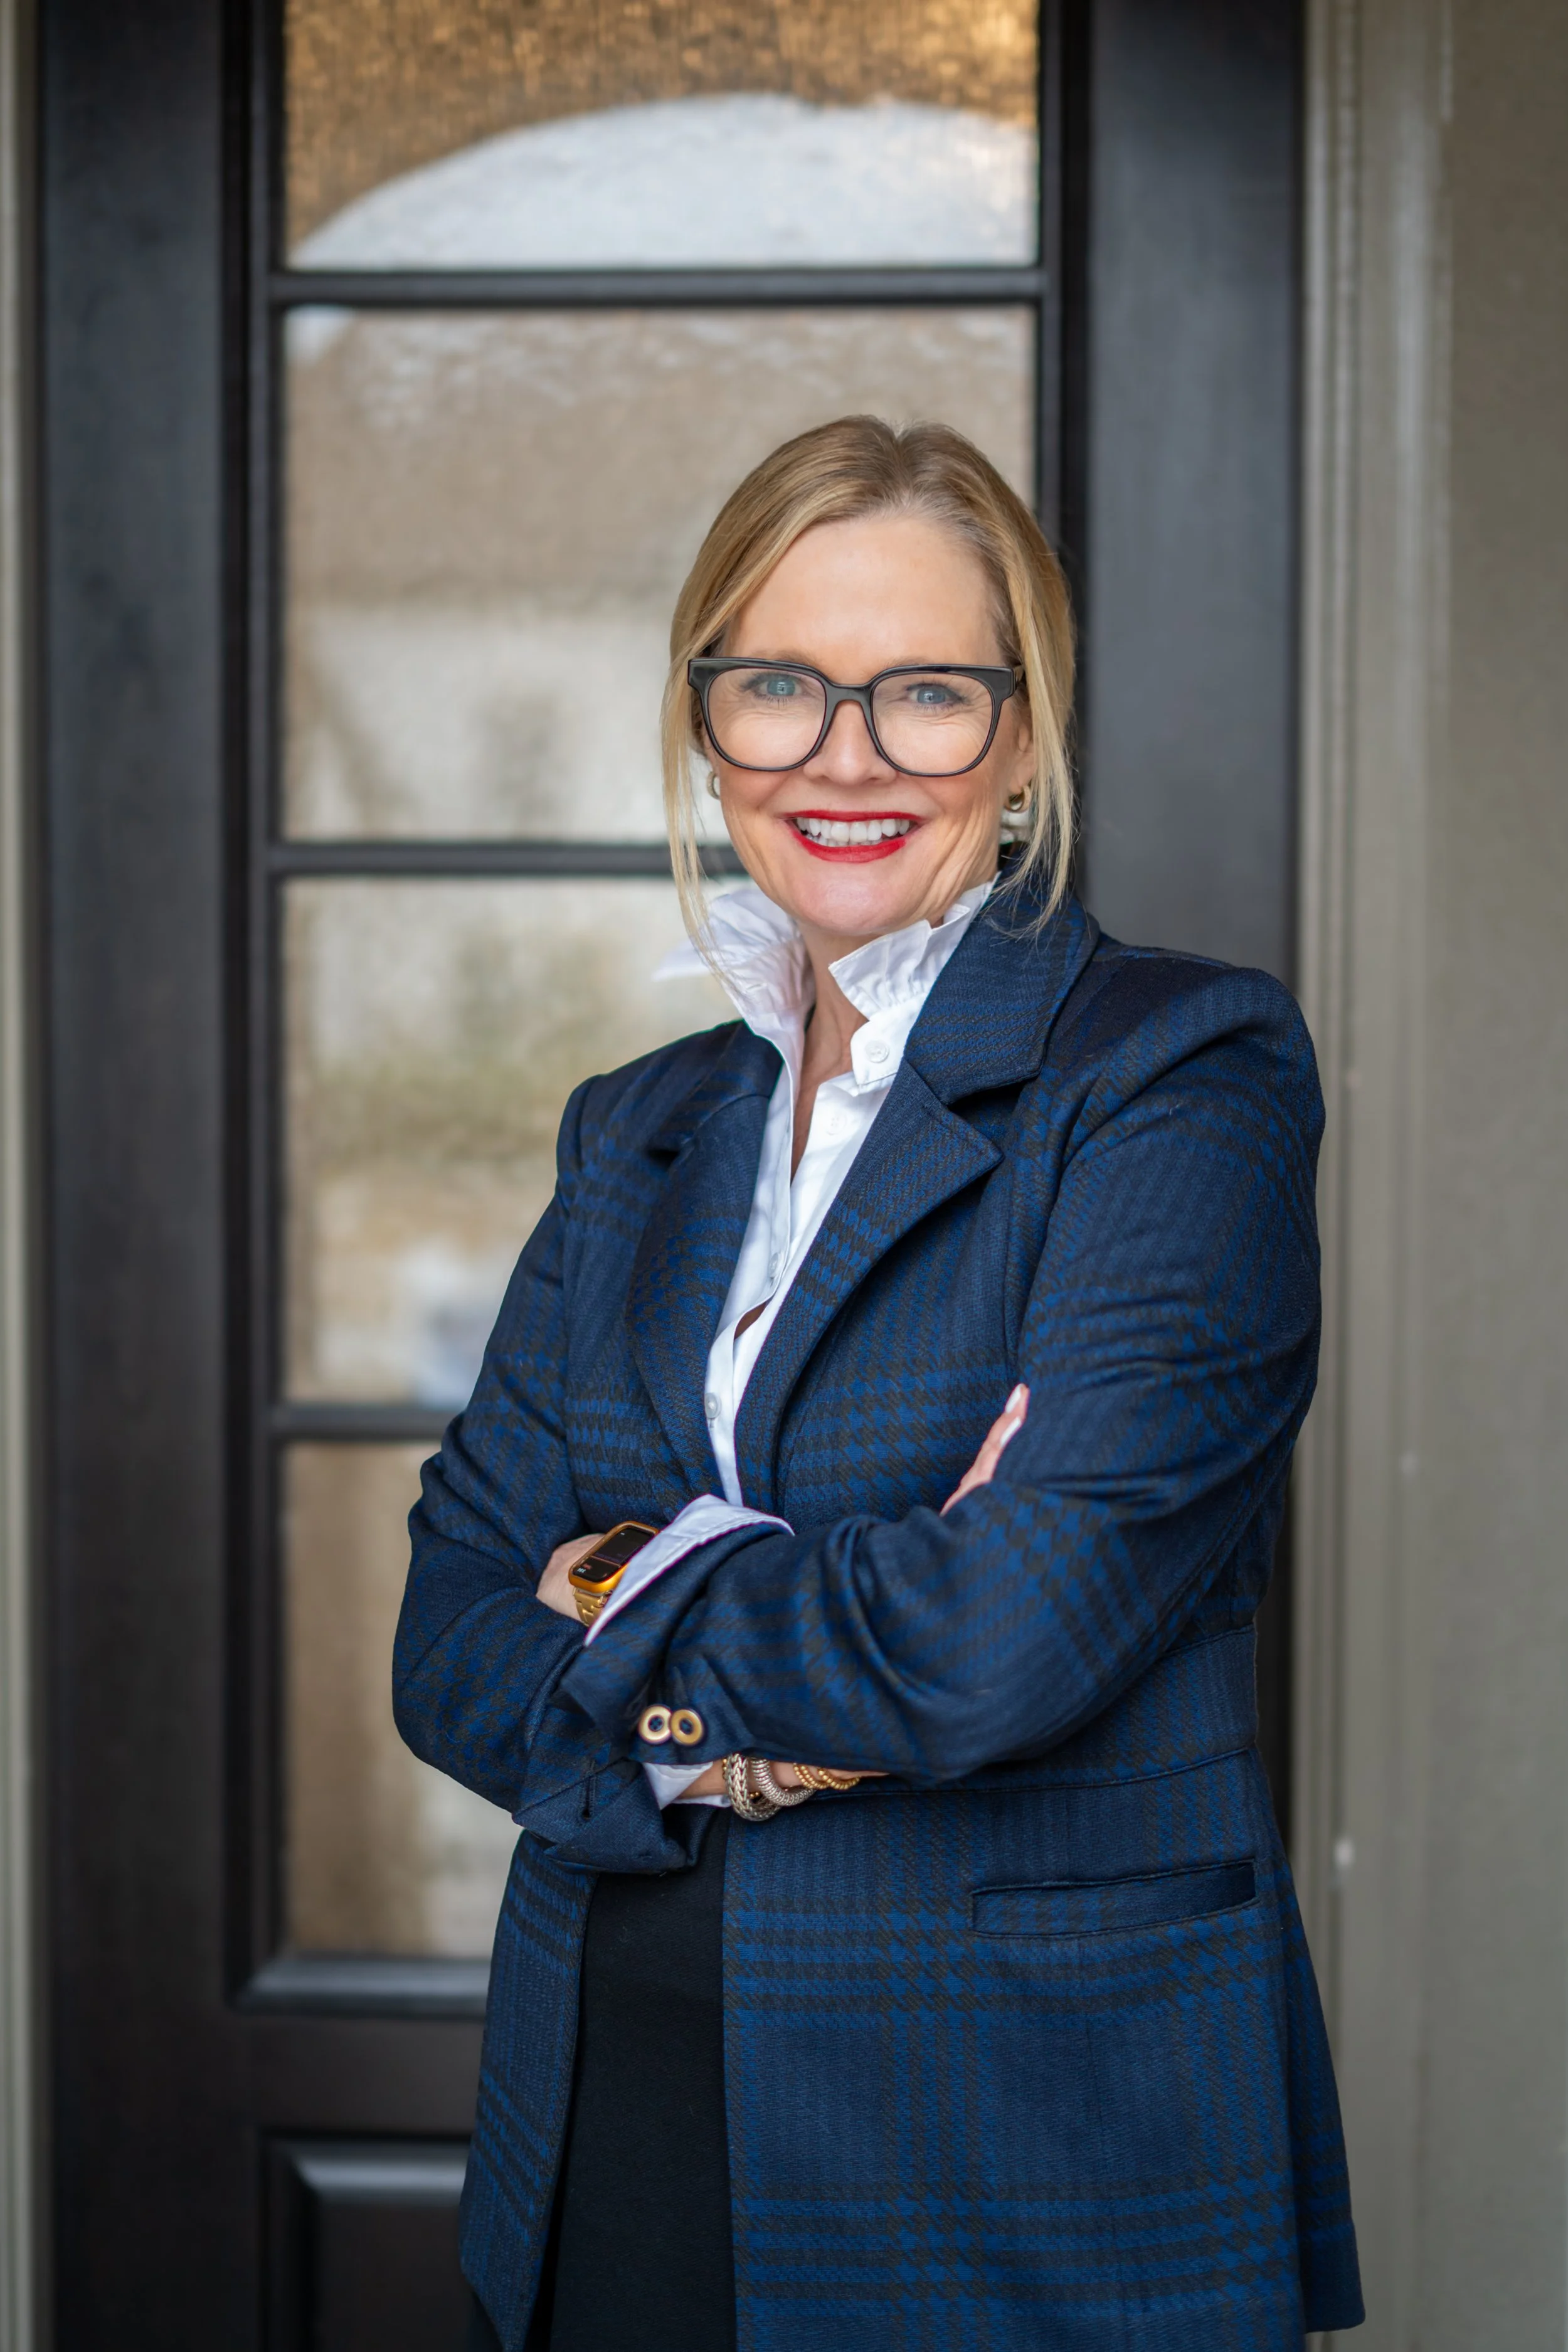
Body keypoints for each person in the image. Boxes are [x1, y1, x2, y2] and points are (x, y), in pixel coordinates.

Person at [395, 415, 1363, 2351]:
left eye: (923, 691)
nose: (842, 757)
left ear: (1021, 739)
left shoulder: (1177, 1074)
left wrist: (615, 1579)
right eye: (777, 685)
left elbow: (999, 1638)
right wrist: (784, 1646)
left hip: (1017, 2143)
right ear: (707, 727)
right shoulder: (636, 1129)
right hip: (609, 2119)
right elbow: (443, 1637)